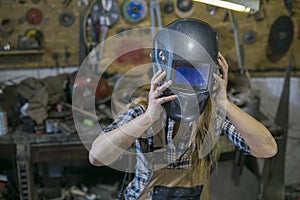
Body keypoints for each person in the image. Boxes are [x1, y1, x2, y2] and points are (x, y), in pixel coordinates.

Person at [89, 19, 277, 200]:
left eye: (197, 75)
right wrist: (148, 118)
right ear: (162, 70)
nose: (188, 85)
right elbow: (97, 157)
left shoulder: (212, 113)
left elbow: (267, 149)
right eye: (181, 74)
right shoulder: (143, 109)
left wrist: (223, 102)